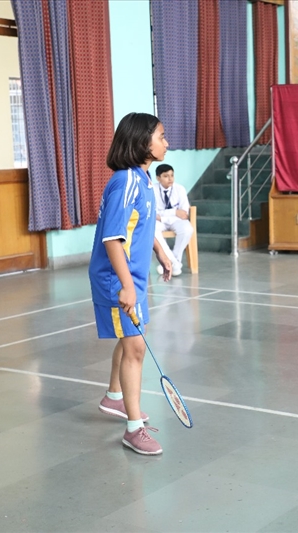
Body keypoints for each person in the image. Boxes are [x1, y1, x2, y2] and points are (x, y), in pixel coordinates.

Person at [89, 112, 174, 455]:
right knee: (136, 346)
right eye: (161, 136)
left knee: (130, 341)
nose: (166, 142)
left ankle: (114, 397)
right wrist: (126, 286)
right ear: (142, 142)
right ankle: (134, 429)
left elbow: (141, 225)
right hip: (116, 277)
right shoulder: (125, 181)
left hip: (133, 276)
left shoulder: (144, 179)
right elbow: (112, 238)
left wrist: (161, 252)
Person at [153, 164, 194, 276]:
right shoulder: (152, 190)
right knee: (152, 230)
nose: (170, 179)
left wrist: (163, 215)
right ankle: (174, 263)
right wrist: (175, 212)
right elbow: (153, 213)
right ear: (158, 178)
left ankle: (170, 261)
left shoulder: (180, 189)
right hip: (160, 221)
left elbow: (184, 213)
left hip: (175, 221)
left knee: (187, 229)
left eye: (172, 175)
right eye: (166, 176)